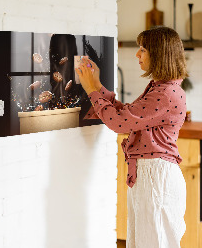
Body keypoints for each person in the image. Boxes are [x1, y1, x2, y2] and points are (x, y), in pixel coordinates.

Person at [76, 26, 188, 248]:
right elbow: (127, 115)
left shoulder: (165, 93)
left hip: (156, 177)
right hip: (151, 175)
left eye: (143, 49)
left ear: (159, 54)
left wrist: (91, 90)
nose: (137, 54)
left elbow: (119, 123)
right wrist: (97, 85)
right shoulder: (161, 88)